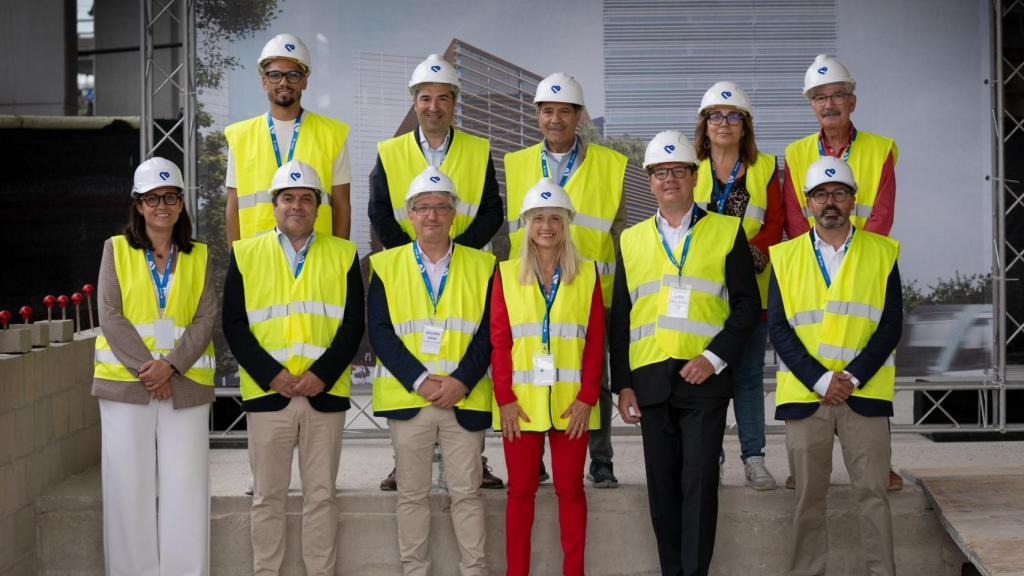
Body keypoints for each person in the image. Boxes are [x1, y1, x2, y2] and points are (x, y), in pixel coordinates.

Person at [611, 131, 759, 576]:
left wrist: (713, 358)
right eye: (660, 172)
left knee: (699, 486)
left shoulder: (726, 231)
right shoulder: (631, 240)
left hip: (703, 380)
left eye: (678, 170)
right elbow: (621, 318)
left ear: (695, 177)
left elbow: (746, 306)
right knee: (662, 489)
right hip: (651, 380)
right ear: (650, 181)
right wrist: (622, 385)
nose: (669, 178)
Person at [369, 53, 504, 491]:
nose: (433, 106)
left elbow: (491, 212)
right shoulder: (389, 152)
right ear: (414, 101)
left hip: (461, 272)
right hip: (410, 274)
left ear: (454, 102)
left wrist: (452, 254)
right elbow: (378, 212)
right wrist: (413, 256)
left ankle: (473, 460)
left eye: (442, 98)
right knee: (415, 364)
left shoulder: (478, 148)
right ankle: (403, 463)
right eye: (425, 98)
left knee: (462, 363)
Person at [222, 160, 364, 576]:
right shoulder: (246, 253)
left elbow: (353, 322)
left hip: (326, 393)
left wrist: (322, 374)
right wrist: (273, 375)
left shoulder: (344, 253)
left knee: (322, 495)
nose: (297, 205)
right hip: (270, 395)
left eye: (306, 198)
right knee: (268, 496)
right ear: (273, 206)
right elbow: (234, 323)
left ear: (319, 207)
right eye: (288, 198)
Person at [768, 156, 901, 576]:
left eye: (839, 193)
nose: (831, 202)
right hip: (807, 398)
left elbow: (891, 324)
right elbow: (778, 327)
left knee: (873, 496)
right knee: (808, 498)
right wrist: (821, 379)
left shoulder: (883, 252)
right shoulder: (784, 257)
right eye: (821, 194)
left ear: (852, 201)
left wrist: (853, 376)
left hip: (865, 394)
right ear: (807, 202)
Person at [781, 53, 902, 491]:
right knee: (810, 357)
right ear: (811, 104)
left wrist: (859, 256)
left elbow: (882, 214)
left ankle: (879, 464)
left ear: (852, 101)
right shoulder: (796, 154)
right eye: (819, 97)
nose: (828, 103)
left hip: (865, 263)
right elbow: (796, 219)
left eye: (836, 95)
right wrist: (812, 258)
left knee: (870, 358)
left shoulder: (879, 148)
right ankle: (805, 466)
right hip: (812, 267)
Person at [92, 157, 216, 575]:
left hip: (185, 387)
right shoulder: (116, 249)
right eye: (152, 198)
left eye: (169, 197)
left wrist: (172, 367)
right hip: (127, 388)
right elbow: (109, 314)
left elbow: (205, 318)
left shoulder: (199, 255)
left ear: (181, 204)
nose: (161, 205)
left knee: (187, 489)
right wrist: (150, 370)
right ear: (138, 204)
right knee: (128, 490)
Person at [369, 166, 494, 576]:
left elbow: (491, 332)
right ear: (409, 214)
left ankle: (474, 570)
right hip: (410, 399)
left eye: (441, 207)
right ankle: (414, 570)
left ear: (454, 213)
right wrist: (422, 380)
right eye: (423, 207)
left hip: (466, 396)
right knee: (411, 495)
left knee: (467, 494)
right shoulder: (385, 265)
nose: (432, 216)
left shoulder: (485, 265)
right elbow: (381, 333)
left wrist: (460, 381)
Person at [504, 72, 626, 487]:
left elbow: (620, 233)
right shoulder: (516, 163)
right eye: (547, 111)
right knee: (532, 368)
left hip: (592, 288)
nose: (555, 119)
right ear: (537, 116)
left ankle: (602, 458)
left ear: (579, 116)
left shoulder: (611, 165)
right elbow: (510, 233)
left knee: (596, 376)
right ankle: (535, 455)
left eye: (564, 111)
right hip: (529, 288)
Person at [492, 179, 604, 576]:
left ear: (566, 223)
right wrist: (504, 398)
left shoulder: (587, 274)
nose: (546, 226)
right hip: (519, 406)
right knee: (520, 492)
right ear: (526, 224)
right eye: (537, 218)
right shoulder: (505, 274)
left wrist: (588, 396)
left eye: (554, 218)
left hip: (573, 403)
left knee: (570, 490)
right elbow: (500, 340)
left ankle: (574, 571)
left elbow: (594, 343)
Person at [693, 81, 784, 490]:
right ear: (704, 125)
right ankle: (710, 454)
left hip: (752, 293)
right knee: (708, 377)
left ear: (745, 125)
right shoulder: (690, 168)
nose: (724, 123)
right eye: (716, 116)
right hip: (704, 293)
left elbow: (776, 223)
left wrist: (745, 258)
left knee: (747, 377)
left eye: (733, 116)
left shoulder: (765, 168)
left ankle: (754, 457)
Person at [225, 33, 352, 241]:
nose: (284, 82)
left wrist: (341, 261)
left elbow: (341, 206)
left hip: (316, 257)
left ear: (304, 81)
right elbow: (232, 207)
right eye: (275, 75)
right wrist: (236, 265)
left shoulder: (332, 134)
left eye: (293, 75)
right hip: (257, 260)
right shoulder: (240, 136)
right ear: (264, 81)